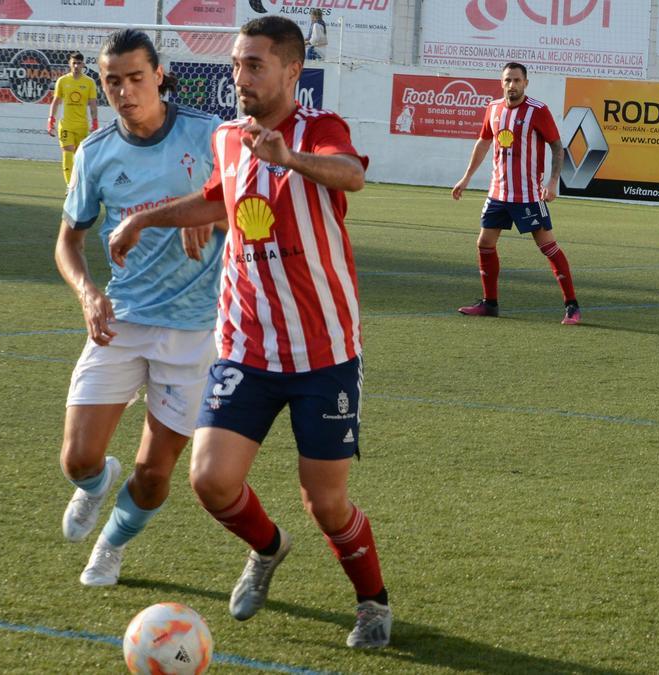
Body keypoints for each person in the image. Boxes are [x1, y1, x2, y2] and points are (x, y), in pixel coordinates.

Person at [108, 16, 392, 649]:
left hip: (324, 352)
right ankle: (267, 548)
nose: (240, 77)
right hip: (246, 347)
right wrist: (145, 220)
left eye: (255, 65)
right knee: (210, 480)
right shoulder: (230, 138)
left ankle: (372, 601)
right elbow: (218, 200)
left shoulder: (319, 130)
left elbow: (351, 174)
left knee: (326, 503)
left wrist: (289, 157)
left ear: (292, 71)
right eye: (236, 64)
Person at [54, 29, 224, 588]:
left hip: (196, 330)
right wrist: (87, 293)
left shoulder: (210, 136)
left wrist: (210, 215)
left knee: (154, 475)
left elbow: (257, 205)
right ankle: (98, 484)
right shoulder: (96, 153)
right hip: (122, 319)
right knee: (76, 460)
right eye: (112, 82)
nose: (125, 92)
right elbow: (69, 242)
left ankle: (110, 545)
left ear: (158, 75)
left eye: (135, 78)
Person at [451, 62, 581, 324]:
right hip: (498, 193)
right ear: (502, 82)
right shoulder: (493, 108)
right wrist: (466, 178)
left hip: (528, 195)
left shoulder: (538, 111)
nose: (512, 85)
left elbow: (557, 147)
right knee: (484, 244)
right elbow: (483, 142)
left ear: (526, 83)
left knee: (548, 247)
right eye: (508, 80)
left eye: (517, 80)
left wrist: (554, 181)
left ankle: (572, 306)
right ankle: (490, 303)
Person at [47, 52, 100, 186]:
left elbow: (93, 103)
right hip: (66, 125)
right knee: (68, 150)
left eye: (79, 63)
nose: (76, 66)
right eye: (74, 63)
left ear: (83, 64)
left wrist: (95, 122)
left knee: (79, 157)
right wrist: (51, 121)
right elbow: (56, 101)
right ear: (70, 64)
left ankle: (79, 184)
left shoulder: (89, 82)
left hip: (82, 125)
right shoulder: (63, 81)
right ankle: (69, 185)